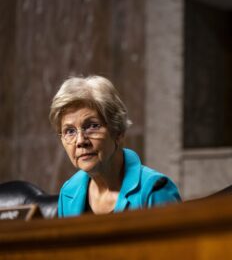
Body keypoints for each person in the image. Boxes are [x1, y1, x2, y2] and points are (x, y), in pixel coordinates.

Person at [49, 75, 181, 217]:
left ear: (118, 131)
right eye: (70, 131)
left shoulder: (155, 191)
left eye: (92, 126)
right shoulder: (68, 192)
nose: (80, 141)